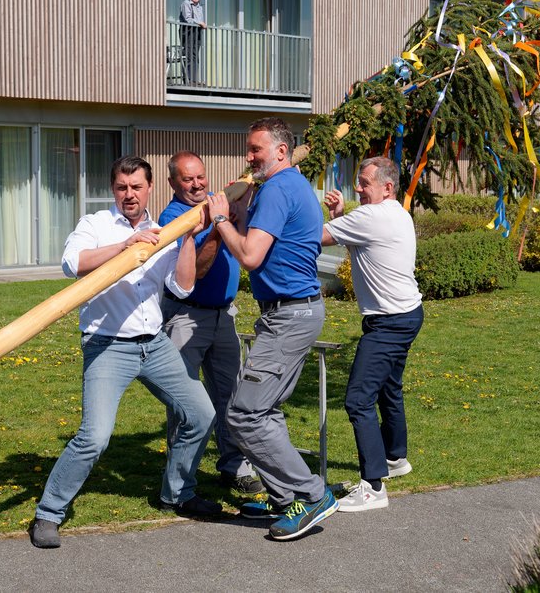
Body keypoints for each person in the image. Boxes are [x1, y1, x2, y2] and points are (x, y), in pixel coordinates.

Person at [29, 156, 220, 549]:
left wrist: (185, 238)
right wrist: (125, 245)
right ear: (113, 189)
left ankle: (177, 494)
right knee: (95, 437)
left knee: (202, 413)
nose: (129, 195)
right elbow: (72, 263)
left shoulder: (163, 230)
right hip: (107, 345)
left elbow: (182, 287)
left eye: (136, 187)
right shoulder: (96, 224)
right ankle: (48, 513)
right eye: (122, 187)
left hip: (154, 344)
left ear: (150, 188)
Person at [205, 117, 338, 541]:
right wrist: (242, 213)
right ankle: (287, 499)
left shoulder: (279, 188)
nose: (248, 157)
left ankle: (310, 494)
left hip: (290, 316)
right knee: (266, 410)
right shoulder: (288, 186)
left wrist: (222, 219)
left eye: (255, 150)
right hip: (290, 312)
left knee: (244, 413)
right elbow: (263, 240)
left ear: (281, 151)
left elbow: (250, 257)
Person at [320, 157, 423, 512]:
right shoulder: (397, 213)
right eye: (358, 182)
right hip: (408, 315)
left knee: (358, 399)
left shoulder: (372, 216)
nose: (358, 189)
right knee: (388, 389)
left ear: (387, 187)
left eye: (364, 184)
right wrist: (341, 216)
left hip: (389, 322)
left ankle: (373, 487)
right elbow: (358, 241)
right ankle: (396, 459)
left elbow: (316, 238)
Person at [158, 150, 263, 495]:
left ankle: (234, 467)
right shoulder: (175, 216)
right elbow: (197, 271)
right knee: (185, 402)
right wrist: (220, 226)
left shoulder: (214, 205)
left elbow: (244, 245)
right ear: (173, 183)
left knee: (232, 395)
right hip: (186, 317)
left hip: (223, 314)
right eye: (187, 179)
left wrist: (238, 212)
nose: (196, 184)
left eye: (200, 177)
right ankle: (181, 477)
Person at [179, 0, 206, 85]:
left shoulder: (200, 7)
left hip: (197, 31)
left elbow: (201, 20)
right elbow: (187, 19)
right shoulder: (186, 3)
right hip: (188, 31)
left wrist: (201, 25)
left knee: (195, 56)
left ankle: (194, 79)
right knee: (189, 55)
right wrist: (200, 23)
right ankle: (188, 80)